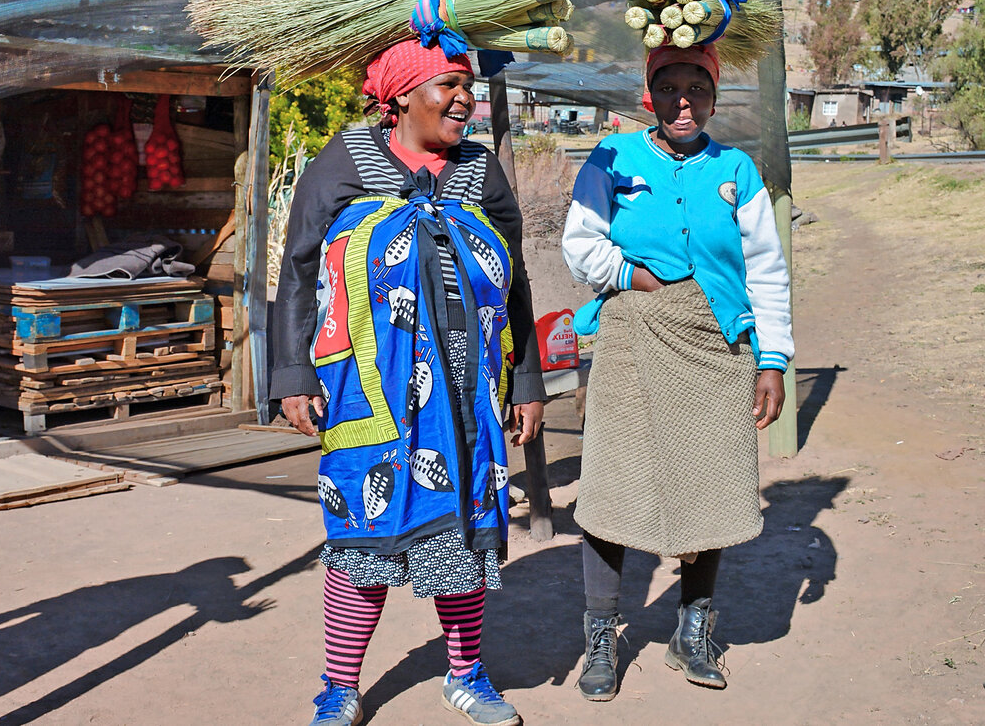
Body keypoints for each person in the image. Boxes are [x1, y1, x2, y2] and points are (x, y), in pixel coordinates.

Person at [271, 39, 545, 726]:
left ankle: (467, 676)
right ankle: (339, 686)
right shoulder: (346, 161)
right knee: (363, 528)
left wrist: (528, 379)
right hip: (371, 385)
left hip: (466, 386)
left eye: (468, 87)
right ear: (398, 98)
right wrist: (292, 374)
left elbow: (513, 278)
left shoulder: (479, 171)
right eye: (446, 86)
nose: (463, 100)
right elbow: (300, 271)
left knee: (464, 532)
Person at [561, 42, 793, 700]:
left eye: (697, 86)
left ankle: (691, 632)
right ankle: (601, 635)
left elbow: (767, 273)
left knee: (711, 481)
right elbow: (580, 244)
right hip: (634, 333)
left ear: (715, 99)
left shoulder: (737, 170)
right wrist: (630, 275)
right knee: (612, 487)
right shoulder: (612, 159)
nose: (683, 99)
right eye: (669, 87)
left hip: (717, 343)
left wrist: (771, 359)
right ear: (649, 97)